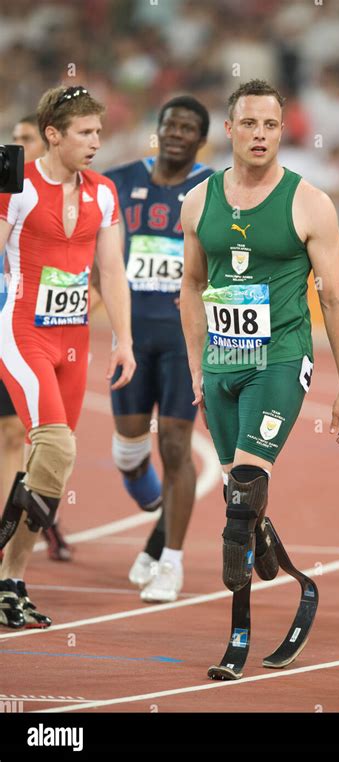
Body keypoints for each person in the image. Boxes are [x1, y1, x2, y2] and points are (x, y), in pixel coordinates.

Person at [180, 79, 339, 592]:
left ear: (283, 132)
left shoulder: (310, 204)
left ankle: (237, 609)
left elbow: (336, 298)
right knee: (237, 488)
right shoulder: (197, 202)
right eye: (251, 124)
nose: (261, 134)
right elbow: (191, 286)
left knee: (244, 489)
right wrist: (197, 367)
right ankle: (256, 527)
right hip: (220, 362)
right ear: (230, 129)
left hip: (279, 358)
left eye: (272, 125)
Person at [0, 85, 135, 629]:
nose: (96, 142)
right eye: (84, 132)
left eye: (99, 132)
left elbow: (112, 273)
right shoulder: (20, 187)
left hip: (74, 342)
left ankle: (12, 581)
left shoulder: (104, 192)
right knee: (52, 445)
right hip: (24, 332)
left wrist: (123, 340)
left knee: (53, 467)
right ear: (53, 135)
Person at [101, 96, 213, 602]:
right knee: (128, 451)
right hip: (129, 336)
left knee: (174, 446)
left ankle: (171, 560)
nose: (176, 133)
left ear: (201, 139)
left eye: (188, 128)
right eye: (170, 124)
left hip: (183, 338)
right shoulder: (119, 181)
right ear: (159, 128)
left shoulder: (215, 188)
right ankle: (156, 515)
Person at [0, 114, 72, 562]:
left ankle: (17, 531)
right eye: (13, 144)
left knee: (16, 435)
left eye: (27, 142)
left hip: (16, 328)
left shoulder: (40, 197)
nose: (17, 153)